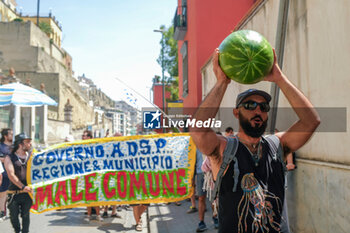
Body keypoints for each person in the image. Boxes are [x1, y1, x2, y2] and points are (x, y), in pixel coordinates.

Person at [190, 48, 320, 232]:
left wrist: (280, 78)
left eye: (263, 106)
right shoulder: (224, 147)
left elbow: (311, 121)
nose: (257, 110)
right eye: (250, 105)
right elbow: (198, 130)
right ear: (236, 112)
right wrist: (222, 82)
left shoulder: (277, 145)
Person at [4, 133, 33, 233]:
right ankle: (17, 231)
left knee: (26, 216)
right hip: (14, 194)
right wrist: (22, 186)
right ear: (21, 144)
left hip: (27, 193)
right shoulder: (10, 157)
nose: (30, 143)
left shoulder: (31, 156)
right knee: (14, 218)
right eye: (27, 142)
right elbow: (11, 175)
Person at [82, 130, 103, 222]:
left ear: (90, 137)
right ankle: (89, 215)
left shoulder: (94, 147)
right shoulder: (79, 147)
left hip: (94, 175)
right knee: (87, 197)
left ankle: (98, 215)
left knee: (95, 197)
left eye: (85, 136)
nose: (83, 137)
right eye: (83, 136)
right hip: (84, 176)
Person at [0, 128, 13, 221]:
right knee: (2, 193)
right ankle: (2, 212)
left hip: (15, 174)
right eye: (10, 134)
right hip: (4, 173)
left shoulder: (15, 146)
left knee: (11, 193)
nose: (12, 136)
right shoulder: (1, 146)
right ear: (5, 136)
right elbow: (1, 159)